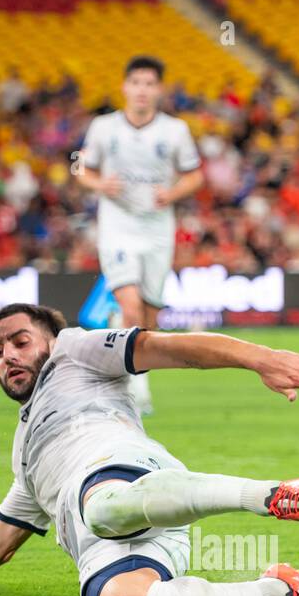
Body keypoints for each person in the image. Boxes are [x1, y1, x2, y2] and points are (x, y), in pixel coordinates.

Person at [0, 303, 299, 596]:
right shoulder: (25, 453)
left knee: (101, 508)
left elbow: (171, 348)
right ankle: (282, 589)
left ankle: (272, 495)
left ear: (50, 340)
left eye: (20, 341)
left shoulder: (74, 351)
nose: (8, 356)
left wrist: (262, 359)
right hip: (116, 540)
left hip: (127, 470)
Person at [78, 56, 204, 414]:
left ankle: (128, 368)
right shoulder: (104, 127)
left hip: (157, 227)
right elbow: (80, 168)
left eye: (149, 84)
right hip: (118, 224)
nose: (142, 91)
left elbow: (194, 175)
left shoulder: (175, 131)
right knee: (131, 305)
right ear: (125, 87)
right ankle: (136, 386)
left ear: (159, 89)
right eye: (136, 83)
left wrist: (172, 193)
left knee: (149, 314)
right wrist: (100, 183)